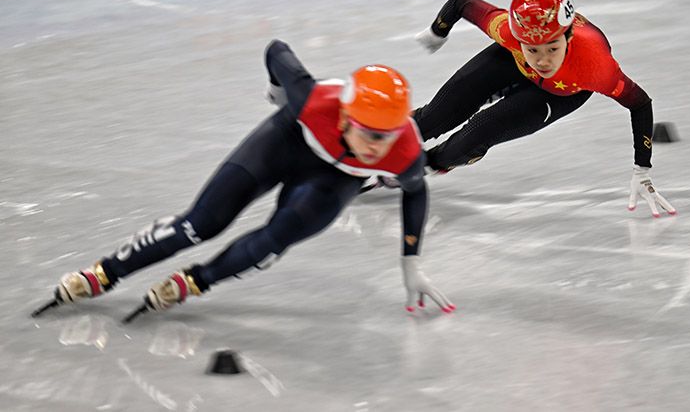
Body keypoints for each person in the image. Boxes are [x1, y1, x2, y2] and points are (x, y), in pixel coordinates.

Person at [34, 40, 453, 320]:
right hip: (286, 142)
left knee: (278, 237)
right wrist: (277, 91)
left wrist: (410, 260)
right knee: (201, 224)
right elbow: (277, 50)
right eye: (370, 134)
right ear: (344, 117)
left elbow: (416, 193)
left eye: (388, 135)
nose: (379, 147)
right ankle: (107, 272)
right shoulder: (312, 99)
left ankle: (196, 282)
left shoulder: (406, 152)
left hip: (335, 180)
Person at [410, 0, 675, 218]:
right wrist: (438, 30)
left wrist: (642, 168)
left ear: (569, 37)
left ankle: (421, 166)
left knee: (476, 134)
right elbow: (461, 2)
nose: (543, 60)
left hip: (560, 92)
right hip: (512, 61)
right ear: (519, 38)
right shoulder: (507, 31)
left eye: (552, 48)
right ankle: (377, 139)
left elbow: (640, 103)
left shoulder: (595, 67)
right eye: (533, 49)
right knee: (435, 117)